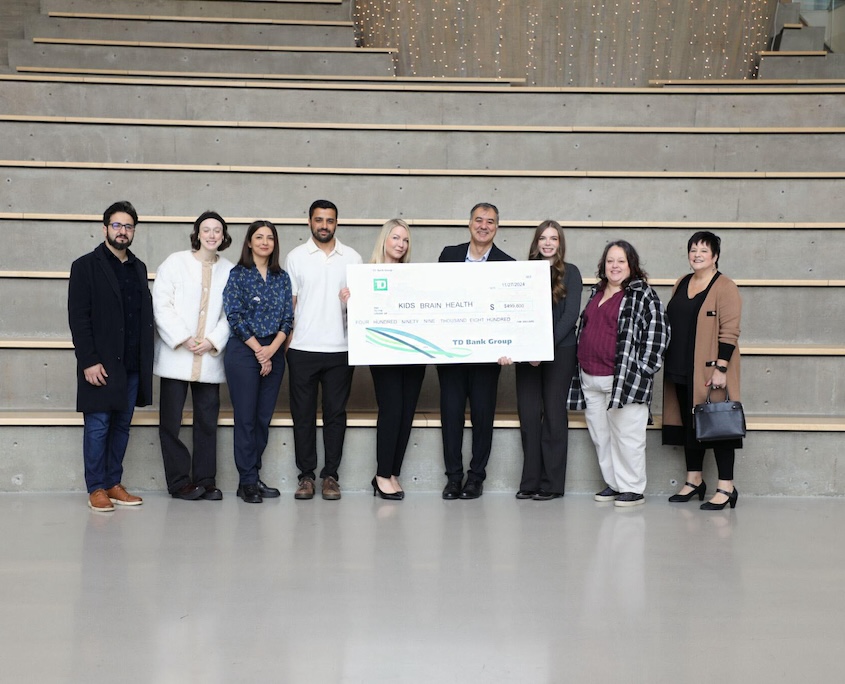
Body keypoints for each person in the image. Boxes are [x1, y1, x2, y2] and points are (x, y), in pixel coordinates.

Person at [567, 240, 669, 507]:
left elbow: (658, 333)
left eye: (621, 261)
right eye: (610, 261)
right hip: (590, 378)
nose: (615, 266)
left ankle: (632, 488)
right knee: (602, 437)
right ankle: (614, 484)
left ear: (631, 265)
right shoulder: (596, 292)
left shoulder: (642, 294)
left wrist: (643, 370)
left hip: (623, 380)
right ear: (603, 265)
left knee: (628, 436)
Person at [68, 200, 153, 512]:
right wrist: (88, 360)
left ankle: (114, 482)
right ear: (105, 228)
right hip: (100, 364)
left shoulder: (139, 267)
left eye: (128, 226)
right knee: (99, 425)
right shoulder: (84, 266)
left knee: (121, 425)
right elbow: (79, 318)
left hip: (131, 364)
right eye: (117, 225)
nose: (123, 231)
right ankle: (96, 487)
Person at [340, 219, 426, 500]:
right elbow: (359, 320)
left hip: (414, 354)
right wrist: (349, 301)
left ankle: (392, 472)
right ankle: (381, 475)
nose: (401, 244)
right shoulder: (365, 274)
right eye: (396, 238)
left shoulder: (414, 277)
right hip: (383, 353)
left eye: (406, 240)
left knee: (407, 412)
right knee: (392, 410)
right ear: (384, 240)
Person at [152, 210, 235, 501]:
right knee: (170, 424)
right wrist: (183, 338)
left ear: (223, 236)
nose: (212, 235)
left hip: (210, 359)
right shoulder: (175, 262)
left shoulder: (230, 269)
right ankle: (179, 483)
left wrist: (212, 340)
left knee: (206, 423)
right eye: (206, 230)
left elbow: (232, 313)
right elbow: (161, 303)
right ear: (197, 234)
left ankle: (206, 480)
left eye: (217, 230)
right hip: (177, 357)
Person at [284, 200, 362, 501]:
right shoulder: (295, 257)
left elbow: (362, 305)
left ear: (336, 223)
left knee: (335, 415)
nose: (324, 225)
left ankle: (331, 477)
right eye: (319, 220)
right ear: (309, 222)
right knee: (302, 416)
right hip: (302, 348)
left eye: (330, 220)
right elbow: (289, 304)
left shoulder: (352, 258)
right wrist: (288, 344)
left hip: (340, 350)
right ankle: (305, 477)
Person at [499, 221, 583, 501]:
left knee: (554, 416)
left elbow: (570, 316)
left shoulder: (571, 273)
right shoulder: (523, 273)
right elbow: (512, 314)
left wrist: (542, 349)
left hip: (560, 351)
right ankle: (530, 481)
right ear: (536, 242)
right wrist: (525, 349)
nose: (548, 243)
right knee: (529, 415)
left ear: (560, 243)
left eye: (554, 239)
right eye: (543, 238)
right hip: (527, 354)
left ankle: (552, 484)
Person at [438, 202, 514, 500]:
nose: (484, 226)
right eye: (479, 220)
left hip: (487, 358)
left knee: (483, 418)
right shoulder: (449, 255)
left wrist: (510, 347)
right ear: (469, 223)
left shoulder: (508, 264)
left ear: (497, 227)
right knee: (451, 417)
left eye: (490, 222)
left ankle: (476, 478)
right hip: (451, 356)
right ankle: (453, 478)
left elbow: (510, 314)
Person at [663, 231, 742, 510]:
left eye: (703, 251)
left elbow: (730, 332)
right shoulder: (681, 282)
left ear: (715, 256)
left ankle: (726, 487)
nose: (697, 254)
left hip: (710, 370)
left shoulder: (725, 286)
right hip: (680, 366)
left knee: (719, 427)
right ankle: (694, 480)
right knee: (689, 425)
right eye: (693, 249)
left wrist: (721, 368)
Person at [223, 220, 293, 503]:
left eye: (270, 238)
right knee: (246, 418)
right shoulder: (238, 274)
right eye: (259, 237)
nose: (265, 242)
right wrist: (258, 351)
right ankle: (247, 480)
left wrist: (271, 350)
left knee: (263, 418)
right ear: (249, 242)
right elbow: (234, 316)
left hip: (274, 353)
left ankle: (254, 476)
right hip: (243, 352)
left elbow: (287, 318)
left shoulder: (282, 277)